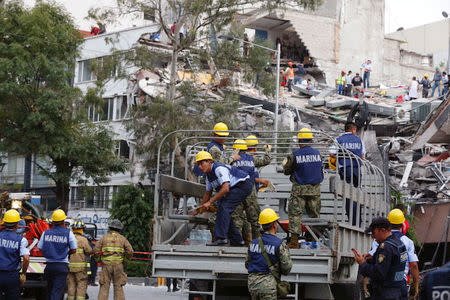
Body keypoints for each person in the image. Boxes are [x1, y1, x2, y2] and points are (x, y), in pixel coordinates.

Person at [196, 151, 252, 246]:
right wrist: (200, 208)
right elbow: (207, 193)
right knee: (222, 210)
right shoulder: (208, 176)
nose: (200, 167)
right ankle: (237, 240)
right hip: (232, 188)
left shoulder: (219, 169)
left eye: (202, 163)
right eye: (198, 165)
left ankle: (221, 238)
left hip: (242, 185)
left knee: (224, 208)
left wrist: (209, 203)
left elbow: (225, 188)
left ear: (209, 161)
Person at [282, 128, 323, 248]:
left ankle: (294, 242)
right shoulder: (317, 154)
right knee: (315, 216)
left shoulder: (294, 155)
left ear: (300, 141)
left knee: (295, 215)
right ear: (311, 140)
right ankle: (313, 240)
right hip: (315, 190)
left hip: (299, 190)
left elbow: (286, 170)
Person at [366, 209, 419, 299]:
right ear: (402, 224)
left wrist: (366, 282)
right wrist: (415, 284)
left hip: (385, 286)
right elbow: (414, 265)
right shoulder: (407, 241)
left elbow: (373, 262)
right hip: (401, 284)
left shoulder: (379, 240)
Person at [352, 217, 408, 300]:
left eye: (374, 233)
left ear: (382, 230)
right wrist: (372, 259)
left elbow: (378, 273)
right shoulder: (398, 243)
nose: (372, 236)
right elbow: (392, 264)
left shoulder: (386, 247)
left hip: (386, 293)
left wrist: (363, 263)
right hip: (398, 291)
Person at [246, 208, 292, 300]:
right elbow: (286, 267)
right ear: (275, 225)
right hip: (268, 285)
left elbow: (247, 264)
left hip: (252, 284)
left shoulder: (253, 242)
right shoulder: (279, 243)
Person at [231, 139, 270, 242]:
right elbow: (266, 160)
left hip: (236, 192)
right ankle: (258, 243)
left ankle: (237, 243)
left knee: (237, 219)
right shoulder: (251, 159)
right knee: (255, 220)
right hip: (250, 192)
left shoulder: (232, 159)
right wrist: (268, 150)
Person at [38, 209, 77, 300]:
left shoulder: (46, 233)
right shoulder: (69, 233)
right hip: (62, 266)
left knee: (49, 290)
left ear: (53, 222)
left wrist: (49, 253)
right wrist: (66, 253)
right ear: (63, 221)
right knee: (57, 291)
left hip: (49, 266)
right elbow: (74, 249)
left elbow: (40, 247)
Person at [94, 219, 134, 300]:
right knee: (118, 287)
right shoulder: (123, 239)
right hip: (118, 265)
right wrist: (125, 260)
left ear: (110, 228)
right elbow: (130, 251)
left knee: (104, 286)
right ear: (119, 229)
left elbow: (95, 251)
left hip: (106, 265)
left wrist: (99, 260)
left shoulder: (104, 238)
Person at [0, 210, 30, 300]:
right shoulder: (21, 240)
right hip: (12, 276)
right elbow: (26, 258)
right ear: (17, 225)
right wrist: (23, 274)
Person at [67, 221, 93, 300]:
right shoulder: (83, 240)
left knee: (71, 285)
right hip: (81, 268)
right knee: (81, 285)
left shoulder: (68, 238)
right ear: (82, 229)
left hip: (69, 267)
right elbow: (89, 251)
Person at [336, 121, 365, 188]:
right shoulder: (359, 140)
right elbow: (362, 156)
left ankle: (347, 199)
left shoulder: (338, 140)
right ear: (353, 130)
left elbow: (332, 153)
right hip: (356, 168)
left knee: (346, 189)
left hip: (344, 168)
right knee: (357, 188)